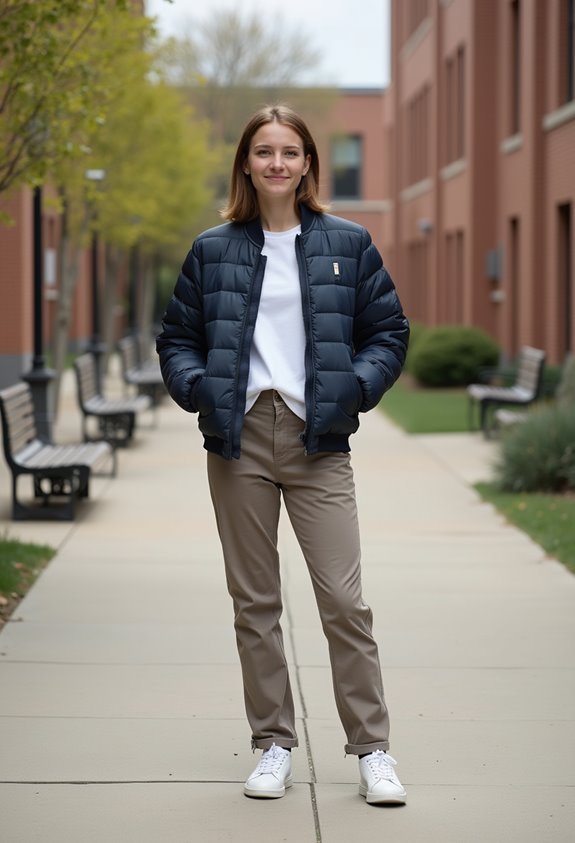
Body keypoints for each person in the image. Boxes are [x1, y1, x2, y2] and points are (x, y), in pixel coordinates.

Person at [156, 104, 409, 806]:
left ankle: (372, 749)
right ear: (245, 163)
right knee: (255, 602)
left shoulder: (347, 243)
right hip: (238, 441)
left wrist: (353, 389)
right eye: (263, 151)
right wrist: (200, 388)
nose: (276, 163)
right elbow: (175, 336)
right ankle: (272, 743)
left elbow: (387, 328)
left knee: (343, 602)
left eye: (289, 152)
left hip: (317, 439)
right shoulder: (213, 249)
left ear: (306, 165)